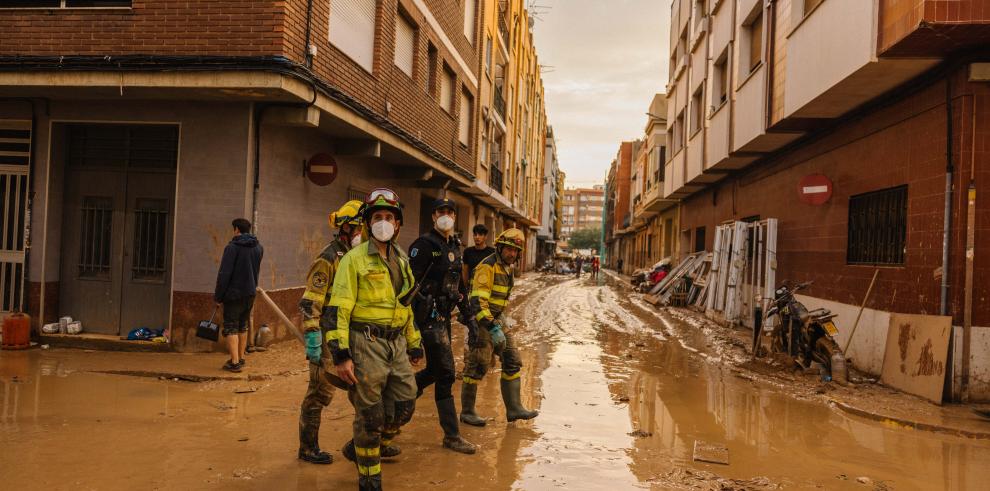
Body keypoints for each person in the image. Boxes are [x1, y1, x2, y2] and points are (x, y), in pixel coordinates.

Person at [327, 188, 424, 491]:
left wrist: (414, 342)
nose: (383, 222)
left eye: (389, 217)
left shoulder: (403, 259)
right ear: (368, 224)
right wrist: (340, 354)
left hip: (396, 345)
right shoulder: (353, 260)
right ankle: (370, 480)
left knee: (405, 405)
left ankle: (360, 447)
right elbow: (338, 310)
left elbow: (405, 306)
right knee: (371, 416)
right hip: (365, 343)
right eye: (377, 217)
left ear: (397, 224)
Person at [296, 200, 365, 465]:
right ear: (346, 227)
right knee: (320, 392)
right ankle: (308, 447)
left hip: (353, 333)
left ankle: (364, 442)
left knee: (362, 389)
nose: (363, 232)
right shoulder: (329, 258)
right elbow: (311, 300)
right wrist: (313, 335)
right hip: (327, 334)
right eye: (359, 226)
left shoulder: (359, 257)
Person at [407, 198, 476, 454]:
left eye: (450, 212)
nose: (445, 216)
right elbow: (408, 287)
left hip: (444, 317)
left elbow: (460, 286)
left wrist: (469, 318)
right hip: (427, 318)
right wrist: (411, 331)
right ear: (433, 216)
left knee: (436, 371)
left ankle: (401, 395)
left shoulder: (454, 245)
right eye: (441, 212)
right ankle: (452, 436)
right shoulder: (424, 245)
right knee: (446, 372)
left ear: (454, 217)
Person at [460, 228, 539, 427]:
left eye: (515, 251)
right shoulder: (487, 267)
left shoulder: (507, 268)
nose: (512, 254)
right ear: (500, 248)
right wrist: (492, 327)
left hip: (496, 319)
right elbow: (477, 302)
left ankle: (514, 409)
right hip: (482, 321)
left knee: (512, 360)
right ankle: (467, 412)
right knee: (478, 365)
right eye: (508, 249)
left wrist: (500, 320)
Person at [214, 218, 263, 373]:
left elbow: (224, 274)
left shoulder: (232, 248)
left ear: (236, 229)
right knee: (243, 325)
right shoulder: (258, 247)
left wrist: (218, 296)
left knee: (231, 326)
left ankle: (234, 362)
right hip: (250, 293)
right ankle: (241, 358)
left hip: (234, 294)